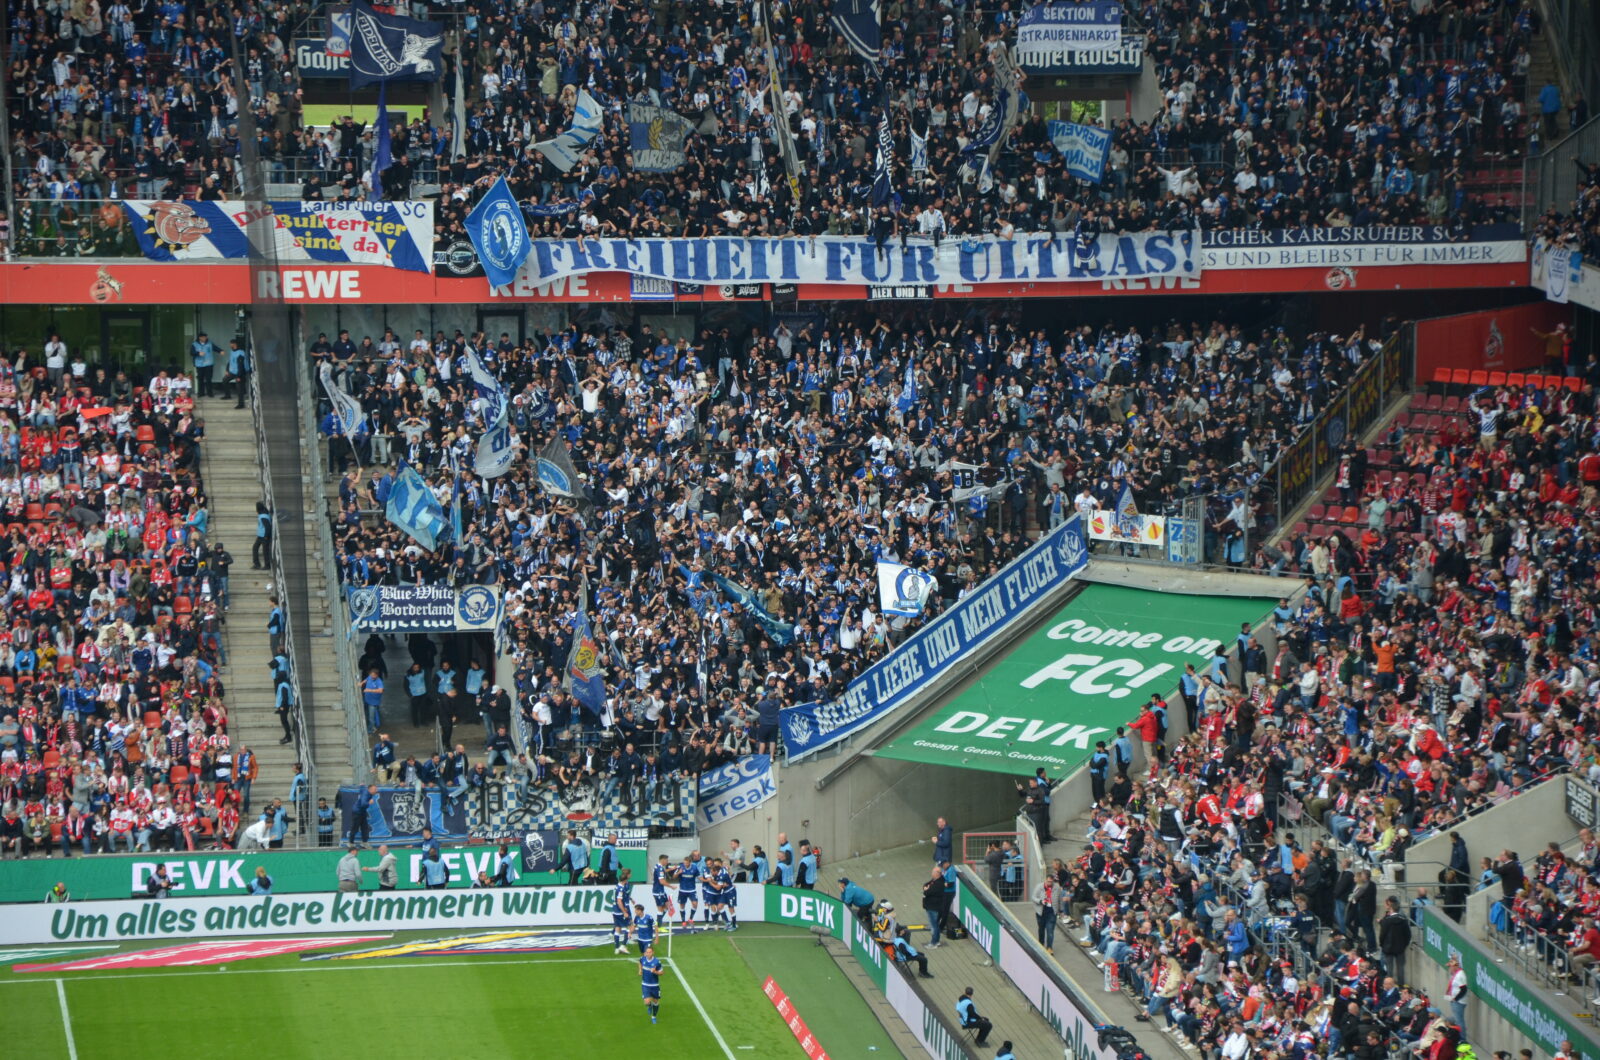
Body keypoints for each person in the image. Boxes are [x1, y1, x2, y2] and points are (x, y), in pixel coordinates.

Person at [1379, 896, 1413, 984]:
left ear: (1391, 908)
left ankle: (1390, 985)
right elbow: (1408, 935)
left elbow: (1382, 935)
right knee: (1400, 967)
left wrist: (1383, 944)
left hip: (1388, 947)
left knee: (1389, 968)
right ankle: (1401, 985)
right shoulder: (1403, 920)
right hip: (1400, 948)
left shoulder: (1386, 921)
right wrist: (1404, 945)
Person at [1032, 874, 1059, 953]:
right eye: (1048, 881)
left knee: (1050, 930)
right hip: (1041, 912)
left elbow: (1059, 898)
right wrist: (1040, 901)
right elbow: (1033, 897)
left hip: (1051, 912)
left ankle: (1049, 947)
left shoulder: (1056, 887)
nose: (1049, 883)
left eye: (1051, 882)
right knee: (1041, 929)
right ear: (1045, 880)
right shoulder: (1039, 887)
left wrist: (1061, 910)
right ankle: (1041, 944)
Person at [639, 944, 664, 1024]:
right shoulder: (642, 959)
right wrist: (640, 970)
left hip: (654, 985)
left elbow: (662, 972)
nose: (648, 954)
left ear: (653, 952)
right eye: (647, 952)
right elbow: (639, 962)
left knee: (656, 1002)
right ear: (645, 953)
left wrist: (655, 972)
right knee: (646, 1001)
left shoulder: (657, 962)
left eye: (650, 952)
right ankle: (649, 1005)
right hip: (645, 984)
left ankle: (654, 1016)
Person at [612, 868, 635, 953]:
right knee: (630, 926)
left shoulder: (617, 886)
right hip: (620, 911)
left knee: (618, 928)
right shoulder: (621, 888)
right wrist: (624, 912)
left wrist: (631, 899)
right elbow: (619, 901)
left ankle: (617, 948)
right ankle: (623, 945)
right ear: (625, 879)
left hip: (614, 910)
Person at [1445, 956, 1468, 1035]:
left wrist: (1456, 999)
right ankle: (1460, 1037)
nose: (1449, 969)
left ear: (1455, 966)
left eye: (1450, 967)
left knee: (1459, 1021)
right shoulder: (1455, 974)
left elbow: (1464, 989)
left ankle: (1462, 1039)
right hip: (1455, 1000)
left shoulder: (1460, 975)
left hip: (1459, 1002)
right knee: (1457, 1020)